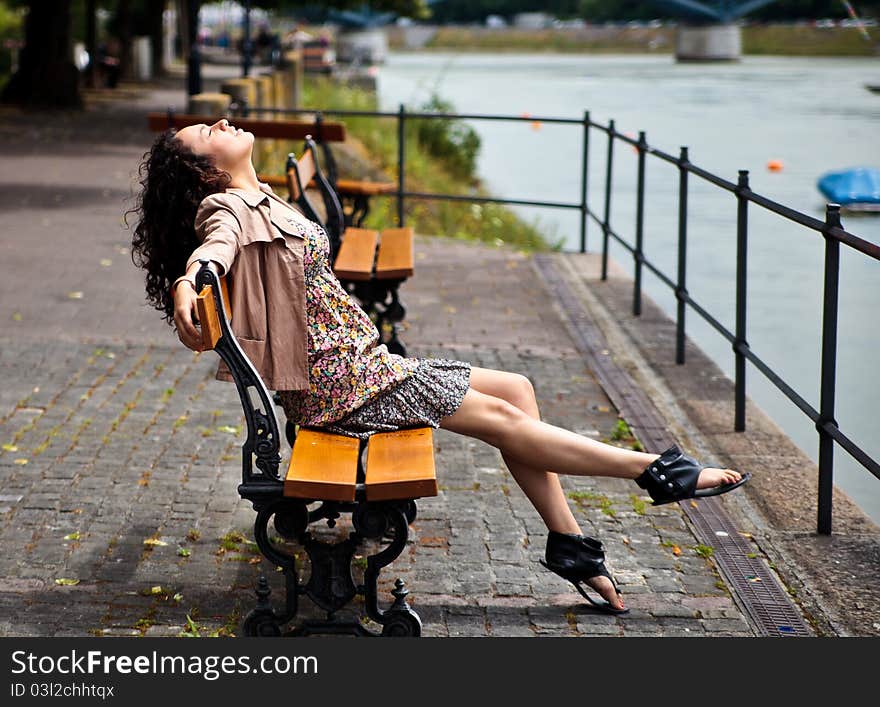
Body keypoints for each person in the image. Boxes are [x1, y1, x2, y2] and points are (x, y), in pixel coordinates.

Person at [129, 120, 750, 615]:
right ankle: (656, 472)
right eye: (208, 132)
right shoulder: (228, 209)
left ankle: (567, 542)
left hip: (359, 368)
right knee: (502, 416)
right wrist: (192, 282)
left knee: (517, 387)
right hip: (343, 390)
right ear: (206, 170)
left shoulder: (256, 194)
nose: (221, 121)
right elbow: (213, 249)